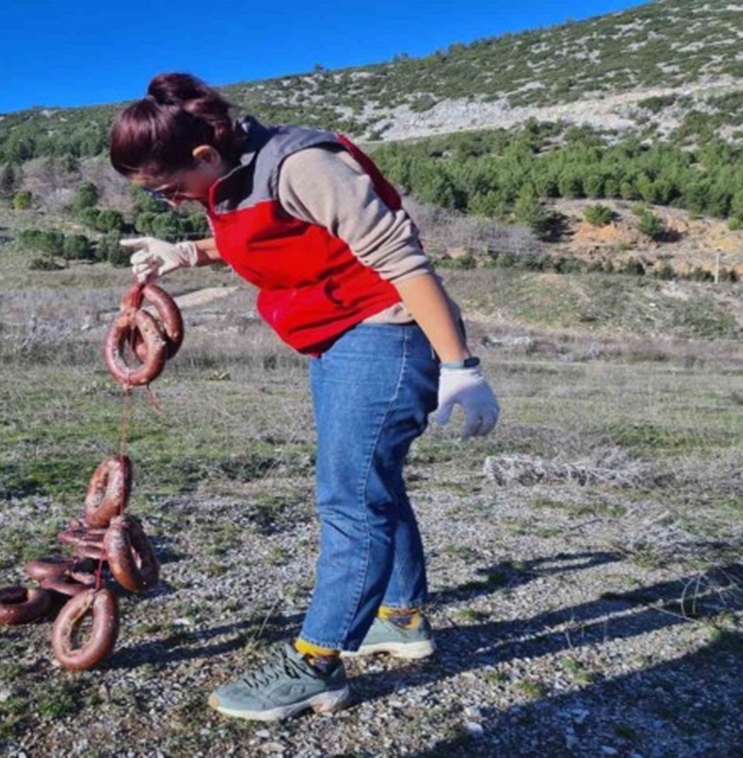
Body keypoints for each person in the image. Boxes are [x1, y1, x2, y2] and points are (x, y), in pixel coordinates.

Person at [108, 72, 500, 722]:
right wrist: (187, 253)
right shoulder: (235, 177)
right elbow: (284, 242)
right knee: (375, 485)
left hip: (383, 336)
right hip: (337, 340)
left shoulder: (304, 165)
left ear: (205, 155)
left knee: (349, 498)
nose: (173, 202)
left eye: (170, 190)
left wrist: (461, 365)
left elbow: (404, 262)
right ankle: (399, 620)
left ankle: (316, 663)